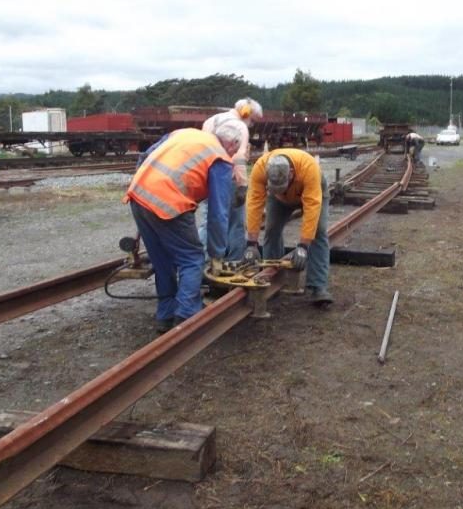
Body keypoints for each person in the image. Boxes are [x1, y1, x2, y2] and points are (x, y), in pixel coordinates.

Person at [124, 123, 243, 334]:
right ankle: (186, 317)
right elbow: (218, 213)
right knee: (192, 259)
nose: (233, 156)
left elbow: (144, 157)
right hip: (169, 203)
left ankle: (166, 315)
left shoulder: (183, 133)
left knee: (162, 261)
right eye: (236, 150)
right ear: (232, 144)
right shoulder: (221, 159)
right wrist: (216, 255)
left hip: (138, 194)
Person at [244, 148, 333, 305]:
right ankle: (271, 279)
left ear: (291, 172)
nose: (281, 189)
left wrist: (303, 247)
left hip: (313, 193)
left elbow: (312, 208)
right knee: (271, 230)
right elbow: (254, 204)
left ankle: (318, 286)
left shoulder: (308, 168)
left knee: (318, 232)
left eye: (282, 186)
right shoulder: (260, 168)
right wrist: (251, 243)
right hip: (278, 200)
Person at [197, 98, 262, 261]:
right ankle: (234, 260)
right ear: (247, 114)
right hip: (229, 178)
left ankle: (201, 260)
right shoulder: (240, 127)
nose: (251, 125)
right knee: (236, 222)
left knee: (207, 220)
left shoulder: (210, 121)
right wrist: (242, 185)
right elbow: (238, 159)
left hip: (207, 177)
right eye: (253, 121)